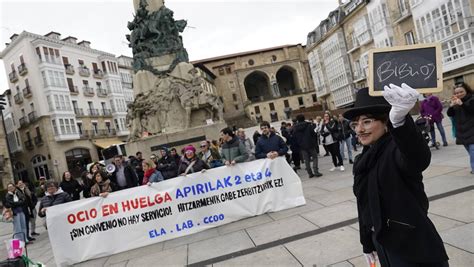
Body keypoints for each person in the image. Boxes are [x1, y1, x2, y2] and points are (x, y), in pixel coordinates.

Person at [344, 84, 448, 267]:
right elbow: (364, 206)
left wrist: (400, 122)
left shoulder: (395, 149)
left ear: (385, 123)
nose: (359, 129)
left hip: (413, 248)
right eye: (355, 124)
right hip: (382, 244)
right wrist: (367, 242)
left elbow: (417, 158)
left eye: (367, 121)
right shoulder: (363, 160)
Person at [447, 82, 474, 174]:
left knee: (473, 152)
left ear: (466, 90)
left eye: (461, 92)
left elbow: (472, 110)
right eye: (456, 93)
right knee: (470, 152)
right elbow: (450, 114)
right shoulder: (456, 102)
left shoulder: (472, 99)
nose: (459, 94)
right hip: (462, 132)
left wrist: (462, 104)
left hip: (472, 130)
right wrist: (451, 106)